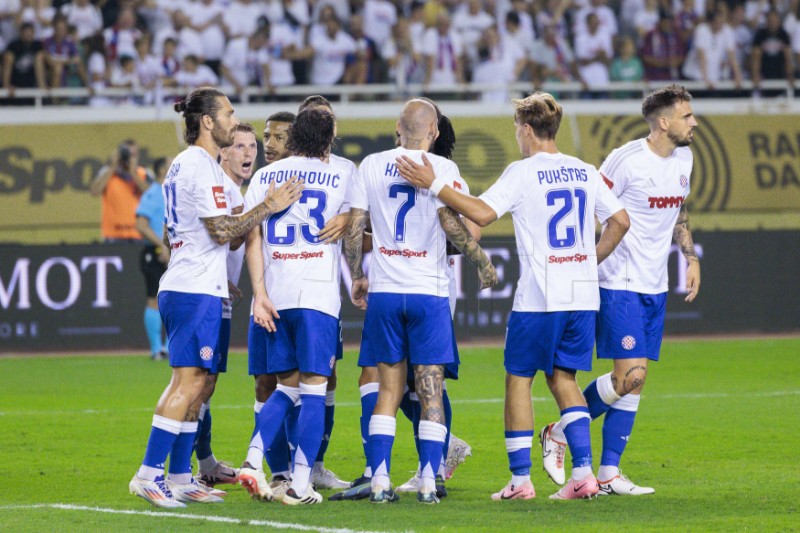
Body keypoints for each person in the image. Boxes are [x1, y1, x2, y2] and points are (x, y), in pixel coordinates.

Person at [395, 92, 629, 500]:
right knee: (565, 380)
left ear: (525, 130)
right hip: (581, 293)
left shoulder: (523, 172)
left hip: (540, 296)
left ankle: (521, 481)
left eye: (516, 130)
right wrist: (589, 260)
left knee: (518, 380)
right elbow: (620, 221)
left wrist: (432, 183)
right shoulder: (584, 170)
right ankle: (585, 475)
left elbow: (482, 214)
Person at [128, 87, 303, 509]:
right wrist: (269, 205)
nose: (232, 118)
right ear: (207, 121)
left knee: (202, 384)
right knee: (186, 383)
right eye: (227, 113)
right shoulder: (197, 165)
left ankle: (180, 476)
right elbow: (221, 231)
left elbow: (179, 233)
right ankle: (148, 475)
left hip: (200, 285)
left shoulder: (194, 165)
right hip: (191, 289)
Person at [540, 84, 700, 496]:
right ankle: (558, 433)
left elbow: (680, 209)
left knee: (633, 380)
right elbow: (591, 205)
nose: (694, 122)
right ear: (663, 122)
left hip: (655, 283)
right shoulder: (626, 160)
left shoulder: (685, 157)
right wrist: (584, 259)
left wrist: (691, 256)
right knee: (631, 375)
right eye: (686, 116)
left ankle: (610, 472)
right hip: (617, 281)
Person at [343, 99, 497, 504]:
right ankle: (430, 482)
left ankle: (378, 480)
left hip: (387, 291)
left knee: (387, 390)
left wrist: (359, 275)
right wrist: (481, 262)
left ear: (398, 126)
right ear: (434, 132)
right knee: (430, 389)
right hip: (429, 292)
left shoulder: (371, 164)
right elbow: (459, 226)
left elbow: (355, 226)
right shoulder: (443, 170)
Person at [238, 107, 355, 505]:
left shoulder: (263, 177)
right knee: (314, 390)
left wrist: (259, 293)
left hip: (276, 295)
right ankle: (300, 485)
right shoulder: (342, 173)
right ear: (327, 141)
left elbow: (251, 238)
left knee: (285, 387)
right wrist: (349, 218)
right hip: (317, 296)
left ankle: (254, 460)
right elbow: (356, 228)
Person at [192, 122, 261, 494]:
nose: (248, 152)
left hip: (218, 295)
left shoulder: (234, 189)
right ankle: (181, 472)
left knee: (206, 381)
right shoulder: (219, 187)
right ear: (223, 151)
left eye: (252, 146)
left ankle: (204, 463)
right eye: (239, 145)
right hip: (205, 295)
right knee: (197, 382)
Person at [245, 111, 297, 501]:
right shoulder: (260, 183)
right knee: (269, 383)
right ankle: (275, 472)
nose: (269, 143)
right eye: (267, 135)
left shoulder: (313, 179)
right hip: (266, 302)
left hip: (305, 300)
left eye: (278, 136)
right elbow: (245, 239)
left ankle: (306, 468)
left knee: (315, 383)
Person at [135, 156, 172, 361]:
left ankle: (169, 347)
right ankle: (156, 348)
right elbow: (141, 224)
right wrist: (161, 245)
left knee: (175, 300)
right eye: (171, 165)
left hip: (174, 253)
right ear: (161, 171)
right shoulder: (153, 193)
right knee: (154, 300)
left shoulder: (174, 192)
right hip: (155, 253)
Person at [90, 139, 150, 243]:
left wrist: (133, 173)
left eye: (133, 155)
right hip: (113, 234)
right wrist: (112, 166)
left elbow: (151, 194)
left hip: (139, 233)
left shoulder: (143, 173)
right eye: (125, 154)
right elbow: (95, 192)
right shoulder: (108, 172)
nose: (128, 158)